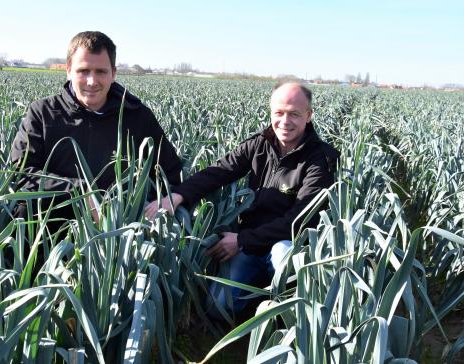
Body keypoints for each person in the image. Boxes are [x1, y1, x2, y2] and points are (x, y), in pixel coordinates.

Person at [145, 82, 339, 317]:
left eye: (294, 114)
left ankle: (287, 317)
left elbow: (300, 220)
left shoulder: (321, 159)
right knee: (218, 309)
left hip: (285, 243)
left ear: (309, 115)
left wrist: (242, 240)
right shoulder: (261, 143)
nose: (285, 121)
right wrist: (178, 195)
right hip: (249, 244)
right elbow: (219, 171)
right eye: (279, 113)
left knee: (283, 256)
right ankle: (257, 297)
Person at [10, 31, 182, 227]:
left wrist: (141, 210)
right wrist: (80, 192)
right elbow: (22, 174)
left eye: (101, 71)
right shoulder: (43, 112)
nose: (92, 81)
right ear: (68, 70)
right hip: (49, 228)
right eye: (83, 71)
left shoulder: (138, 116)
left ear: (114, 73)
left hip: (119, 234)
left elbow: (170, 172)